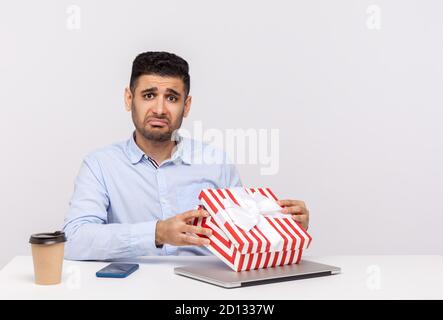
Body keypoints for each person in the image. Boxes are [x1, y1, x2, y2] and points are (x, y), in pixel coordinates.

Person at [63, 51, 310, 260]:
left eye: (172, 98)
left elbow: (244, 234)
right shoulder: (100, 165)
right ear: (129, 99)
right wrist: (156, 233)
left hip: (208, 292)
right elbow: (74, 239)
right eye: (149, 95)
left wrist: (284, 229)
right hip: (132, 288)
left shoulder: (215, 162)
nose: (159, 109)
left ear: (187, 106)